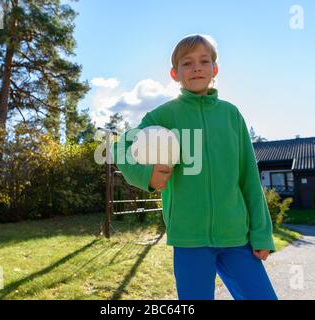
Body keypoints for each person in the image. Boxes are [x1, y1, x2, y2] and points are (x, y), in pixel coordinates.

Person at [111, 34, 278, 300]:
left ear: (215, 69)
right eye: (187, 63)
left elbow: (249, 178)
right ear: (174, 73)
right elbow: (120, 147)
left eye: (204, 61)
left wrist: (261, 234)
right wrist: (146, 175)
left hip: (237, 237)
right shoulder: (164, 116)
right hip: (189, 239)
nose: (197, 67)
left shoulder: (231, 115)